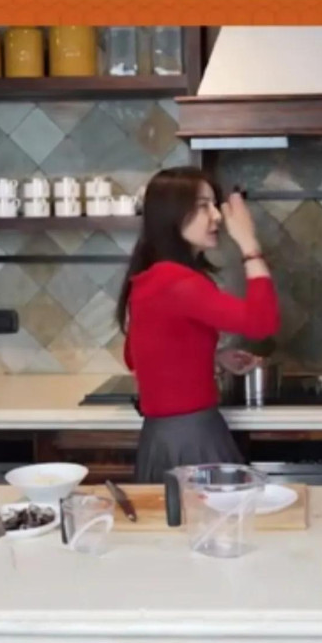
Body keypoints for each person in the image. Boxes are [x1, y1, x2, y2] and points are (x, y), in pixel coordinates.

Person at [116, 166, 280, 482]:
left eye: (214, 205)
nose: (217, 216)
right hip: (192, 438)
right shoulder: (177, 282)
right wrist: (249, 244)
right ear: (172, 215)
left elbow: (135, 356)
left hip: (161, 437)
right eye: (203, 206)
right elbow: (263, 322)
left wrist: (207, 356)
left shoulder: (151, 277)